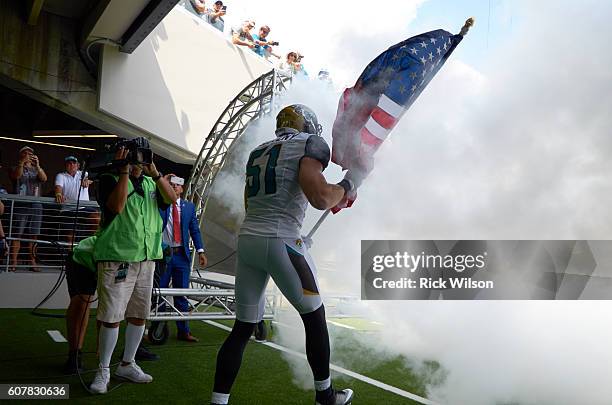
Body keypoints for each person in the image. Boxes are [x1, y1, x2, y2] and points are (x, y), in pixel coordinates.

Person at [210, 105, 358, 405]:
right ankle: (326, 396)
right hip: (281, 241)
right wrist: (347, 184)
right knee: (314, 316)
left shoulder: (259, 151)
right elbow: (320, 198)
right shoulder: (309, 144)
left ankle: (218, 402)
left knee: (242, 327)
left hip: (250, 240)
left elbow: (253, 205)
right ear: (307, 126)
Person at [89, 139, 177, 394]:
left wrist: (156, 173)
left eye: (143, 155)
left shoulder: (152, 182)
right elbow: (116, 207)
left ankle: (127, 363)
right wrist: (124, 171)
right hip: (118, 257)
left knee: (139, 314)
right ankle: (103, 368)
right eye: (134, 155)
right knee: (112, 316)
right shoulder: (108, 178)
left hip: (146, 258)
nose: (139, 161)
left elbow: (171, 198)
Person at [158, 174, 208, 342]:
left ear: (182, 188)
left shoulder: (189, 207)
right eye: (170, 184)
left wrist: (200, 250)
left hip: (181, 255)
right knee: (160, 292)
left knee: (182, 293)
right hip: (163, 254)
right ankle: (158, 329)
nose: (173, 187)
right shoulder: (161, 205)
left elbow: (195, 229)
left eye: (177, 185)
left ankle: (184, 331)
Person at [9, 146, 47, 272]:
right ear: (20, 156)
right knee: (17, 234)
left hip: (36, 205)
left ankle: (32, 261)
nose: (28, 155)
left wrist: (38, 166)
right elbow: (16, 176)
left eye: (30, 153)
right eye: (24, 153)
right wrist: (22, 163)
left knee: (33, 235)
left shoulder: (37, 170)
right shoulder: (16, 167)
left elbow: (44, 178)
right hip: (21, 204)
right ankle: (13, 262)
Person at [55, 156, 98, 245]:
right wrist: (58, 194)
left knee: (97, 219)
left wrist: (87, 181)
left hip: (83, 208)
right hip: (68, 210)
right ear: (65, 166)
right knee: (69, 237)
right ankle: (71, 256)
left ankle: (92, 243)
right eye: (69, 163)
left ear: (78, 165)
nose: (71, 165)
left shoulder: (84, 174)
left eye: (74, 163)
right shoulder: (61, 175)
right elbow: (58, 187)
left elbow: (90, 178)